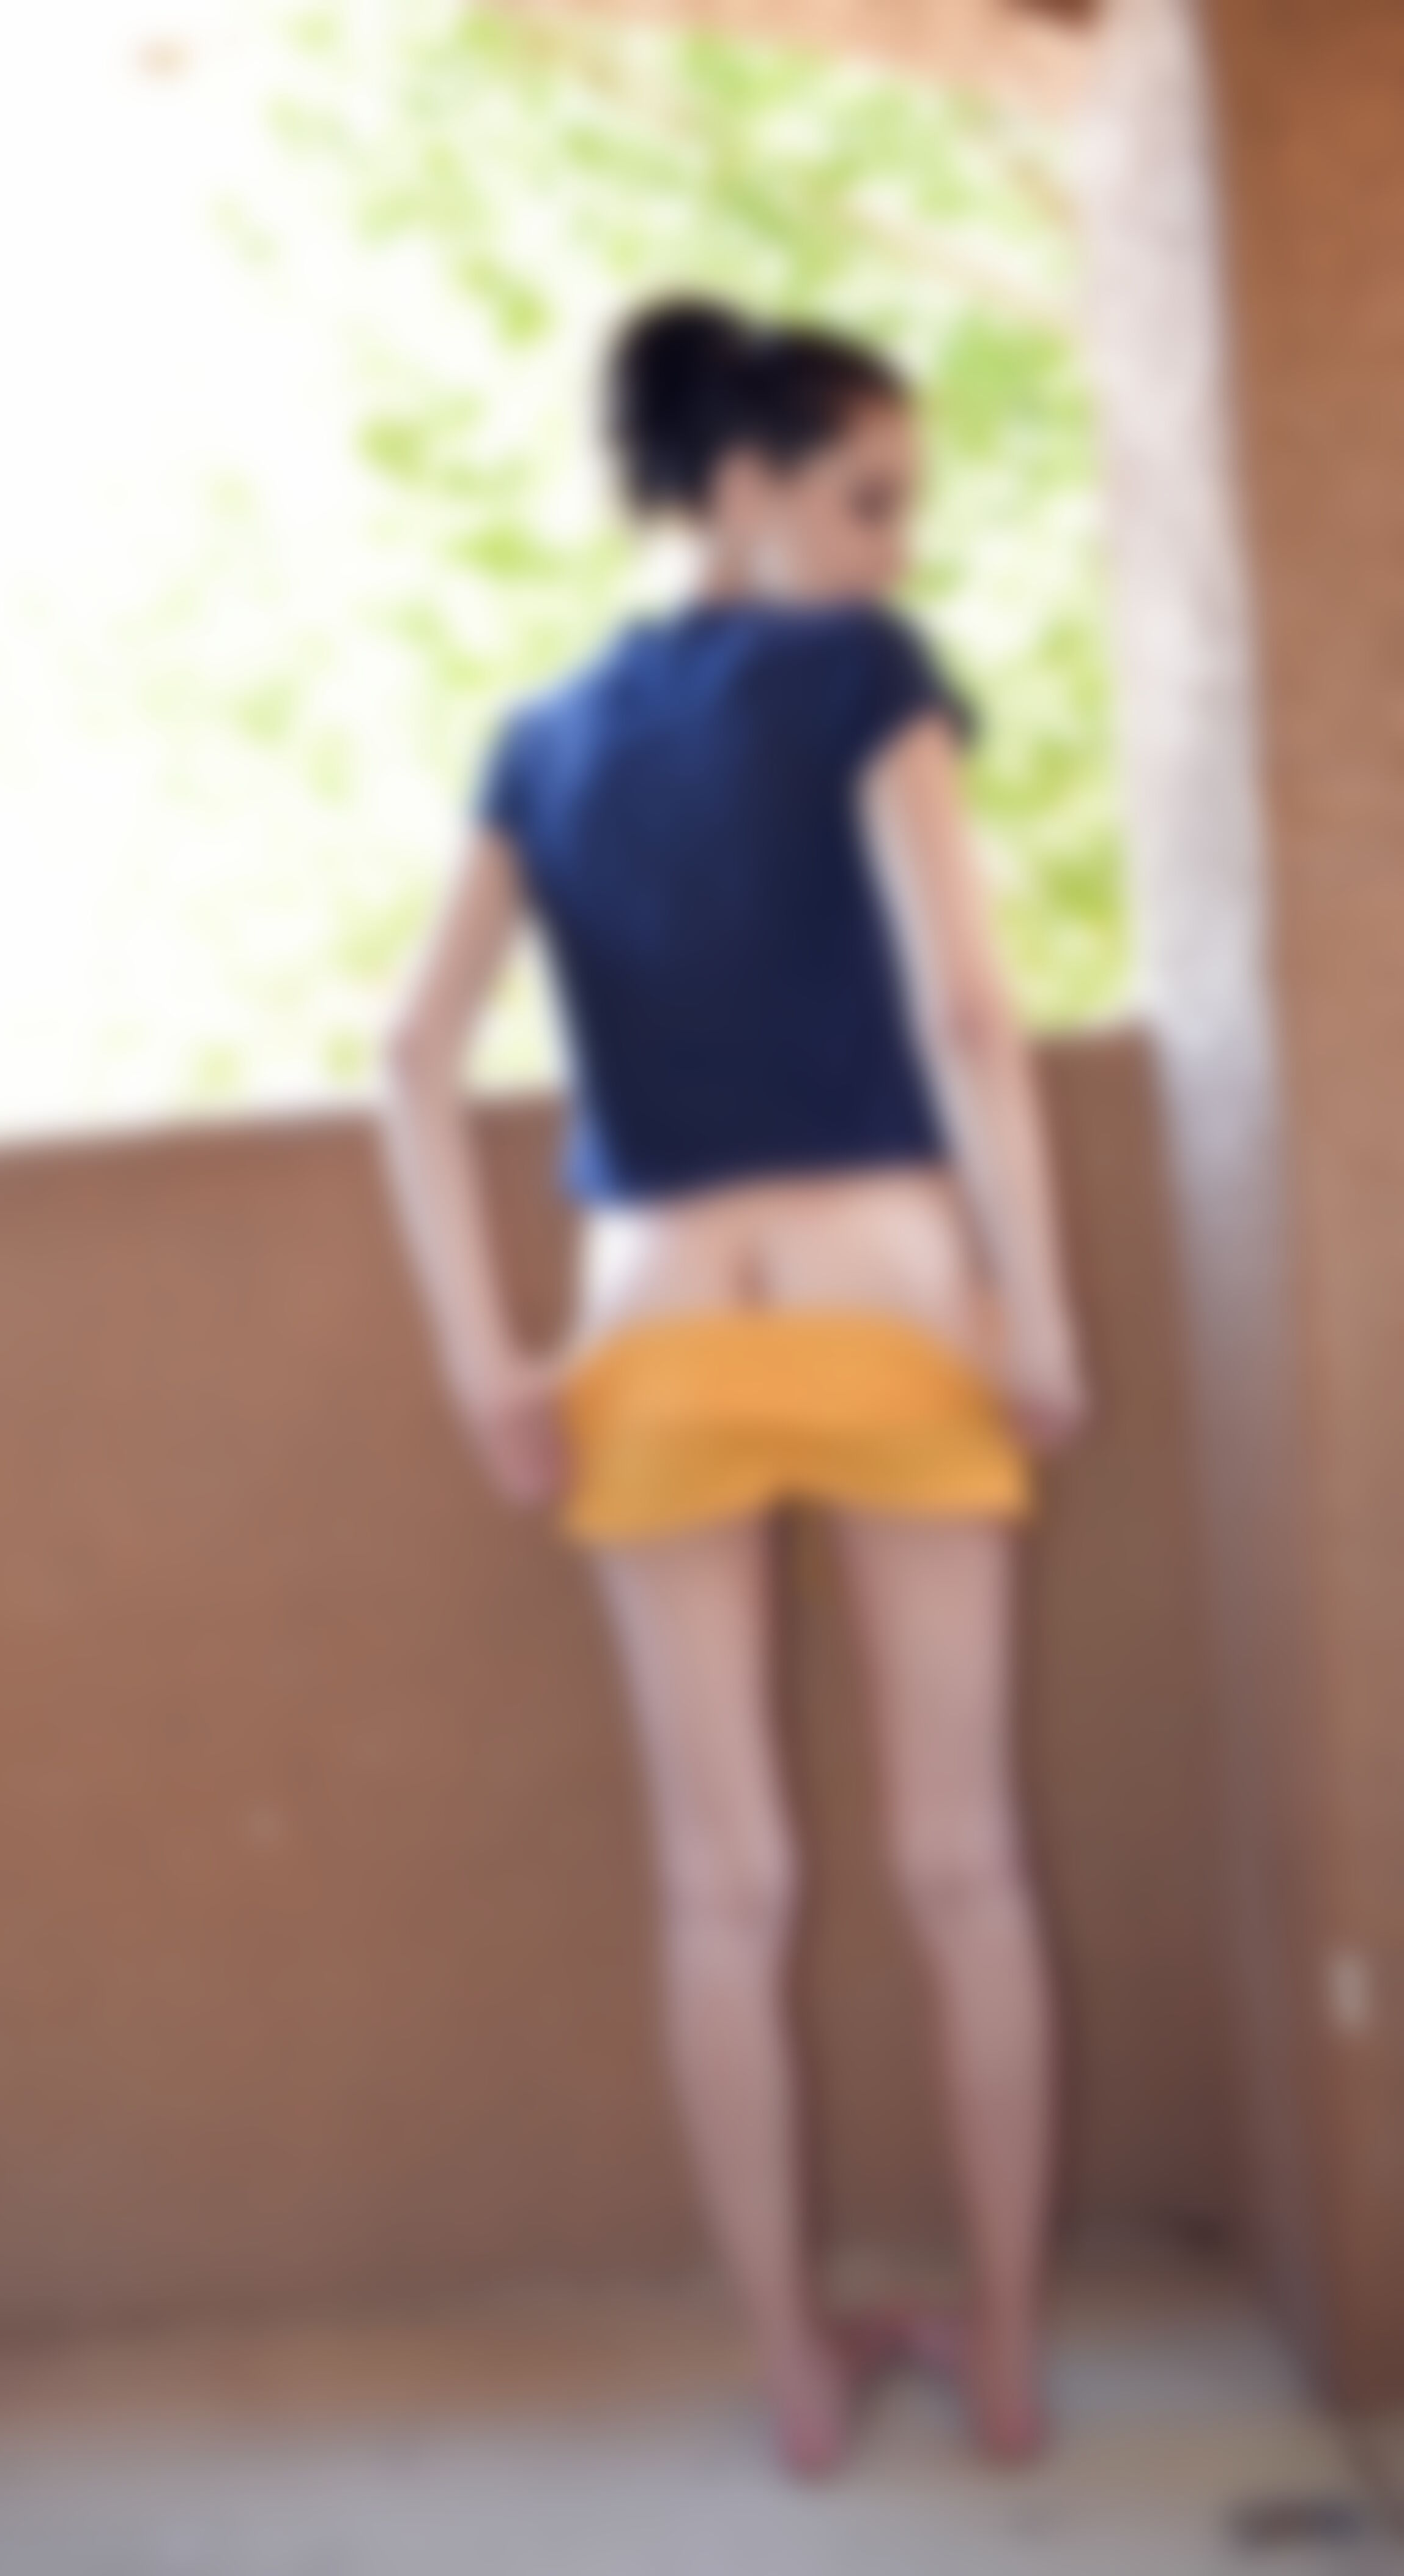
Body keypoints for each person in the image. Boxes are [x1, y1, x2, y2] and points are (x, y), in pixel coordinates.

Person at [374, 291, 1090, 2477]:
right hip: (894, 1307)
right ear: (749, 486)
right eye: (867, 499)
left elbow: (409, 1056)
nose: (892, 548)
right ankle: (1003, 2362)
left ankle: (795, 2375)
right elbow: (970, 1010)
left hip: (651, 1331)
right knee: (963, 1865)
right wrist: (1042, 1309)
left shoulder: (542, 738)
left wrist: (489, 1362)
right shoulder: (863, 676)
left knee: (722, 1891)